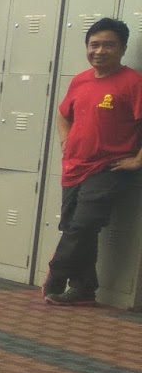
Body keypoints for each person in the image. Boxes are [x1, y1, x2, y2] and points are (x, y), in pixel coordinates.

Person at [44, 18, 142, 306]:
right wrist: (65, 141)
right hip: (74, 166)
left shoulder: (133, 82)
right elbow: (63, 114)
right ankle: (84, 289)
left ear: (122, 48)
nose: (99, 51)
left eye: (108, 45)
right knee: (73, 227)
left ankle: (55, 275)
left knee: (83, 225)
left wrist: (137, 159)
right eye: (94, 45)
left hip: (108, 167)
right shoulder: (81, 80)